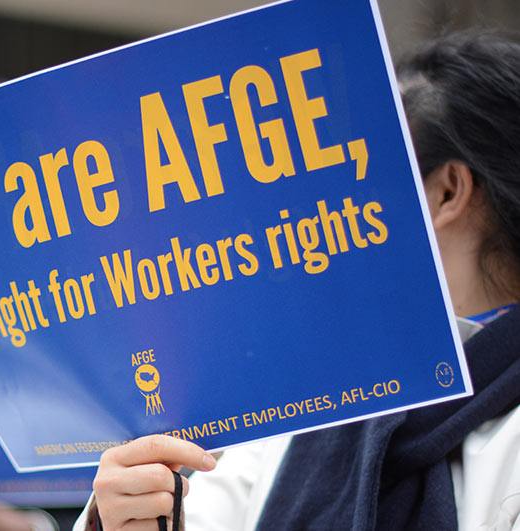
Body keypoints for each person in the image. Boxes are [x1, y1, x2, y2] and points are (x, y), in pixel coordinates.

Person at [80, 31, 520, 530]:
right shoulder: (315, 400)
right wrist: (126, 515)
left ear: (448, 192)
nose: (339, 204)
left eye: (368, 171)